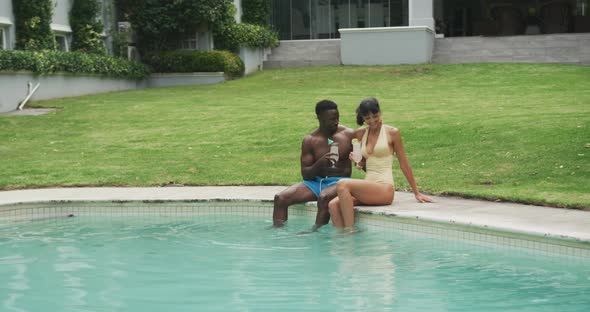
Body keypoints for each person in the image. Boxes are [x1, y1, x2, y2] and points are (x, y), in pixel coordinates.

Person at [328, 97, 433, 229]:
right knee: (333, 205)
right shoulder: (361, 133)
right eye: (367, 118)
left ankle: (350, 233)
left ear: (380, 112)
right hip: (369, 187)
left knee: (342, 184)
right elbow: (362, 165)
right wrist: (358, 162)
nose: (372, 121)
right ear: (363, 118)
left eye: (375, 116)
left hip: (384, 188)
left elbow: (404, 164)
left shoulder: (392, 132)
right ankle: (341, 241)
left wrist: (416, 192)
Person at [273, 100, 354, 229]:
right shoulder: (310, 140)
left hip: (340, 182)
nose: (336, 122)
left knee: (324, 197)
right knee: (280, 198)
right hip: (315, 183)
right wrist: (320, 163)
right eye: (331, 119)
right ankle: (277, 234)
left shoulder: (348, 135)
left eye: (337, 118)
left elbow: (364, 159)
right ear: (320, 118)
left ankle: (315, 233)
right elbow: (306, 174)